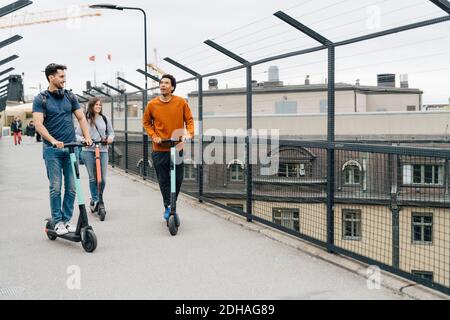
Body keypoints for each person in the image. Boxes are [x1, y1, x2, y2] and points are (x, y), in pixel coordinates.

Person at [33, 63, 92, 236]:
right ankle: (57, 221)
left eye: (65, 76)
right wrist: (53, 140)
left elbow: (81, 118)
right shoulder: (41, 99)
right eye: (61, 77)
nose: (64, 80)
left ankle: (66, 221)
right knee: (56, 187)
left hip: (71, 150)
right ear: (51, 77)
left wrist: (87, 136)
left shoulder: (70, 97)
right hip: (52, 150)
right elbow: (38, 123)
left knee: (73, 188)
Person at [143, 74, 195, 221]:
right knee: (164, 180)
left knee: (178, 178)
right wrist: (154, 136)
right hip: (159, 149)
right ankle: (168, 206)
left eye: (166, 83)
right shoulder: (152, 104)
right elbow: (146, 123)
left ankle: (172, 203)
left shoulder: (181, 102)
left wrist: (189, 134)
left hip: (177, 147)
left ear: (172, 87)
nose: (163, 85)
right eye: (161, 83)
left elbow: (189, 120)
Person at [76, 97, 114, 213]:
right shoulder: (85, 120)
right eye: (96, 105)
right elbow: (77, 135)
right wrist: (84, 140)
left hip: (102, 150)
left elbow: (111, 132)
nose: (98, 106)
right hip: (88, 150)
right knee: (93, 178)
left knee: (102, 179)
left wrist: (110, 139)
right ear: (91, 106)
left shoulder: (105, 119)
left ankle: (99, 197)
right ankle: (95, 199)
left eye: (100, 105)